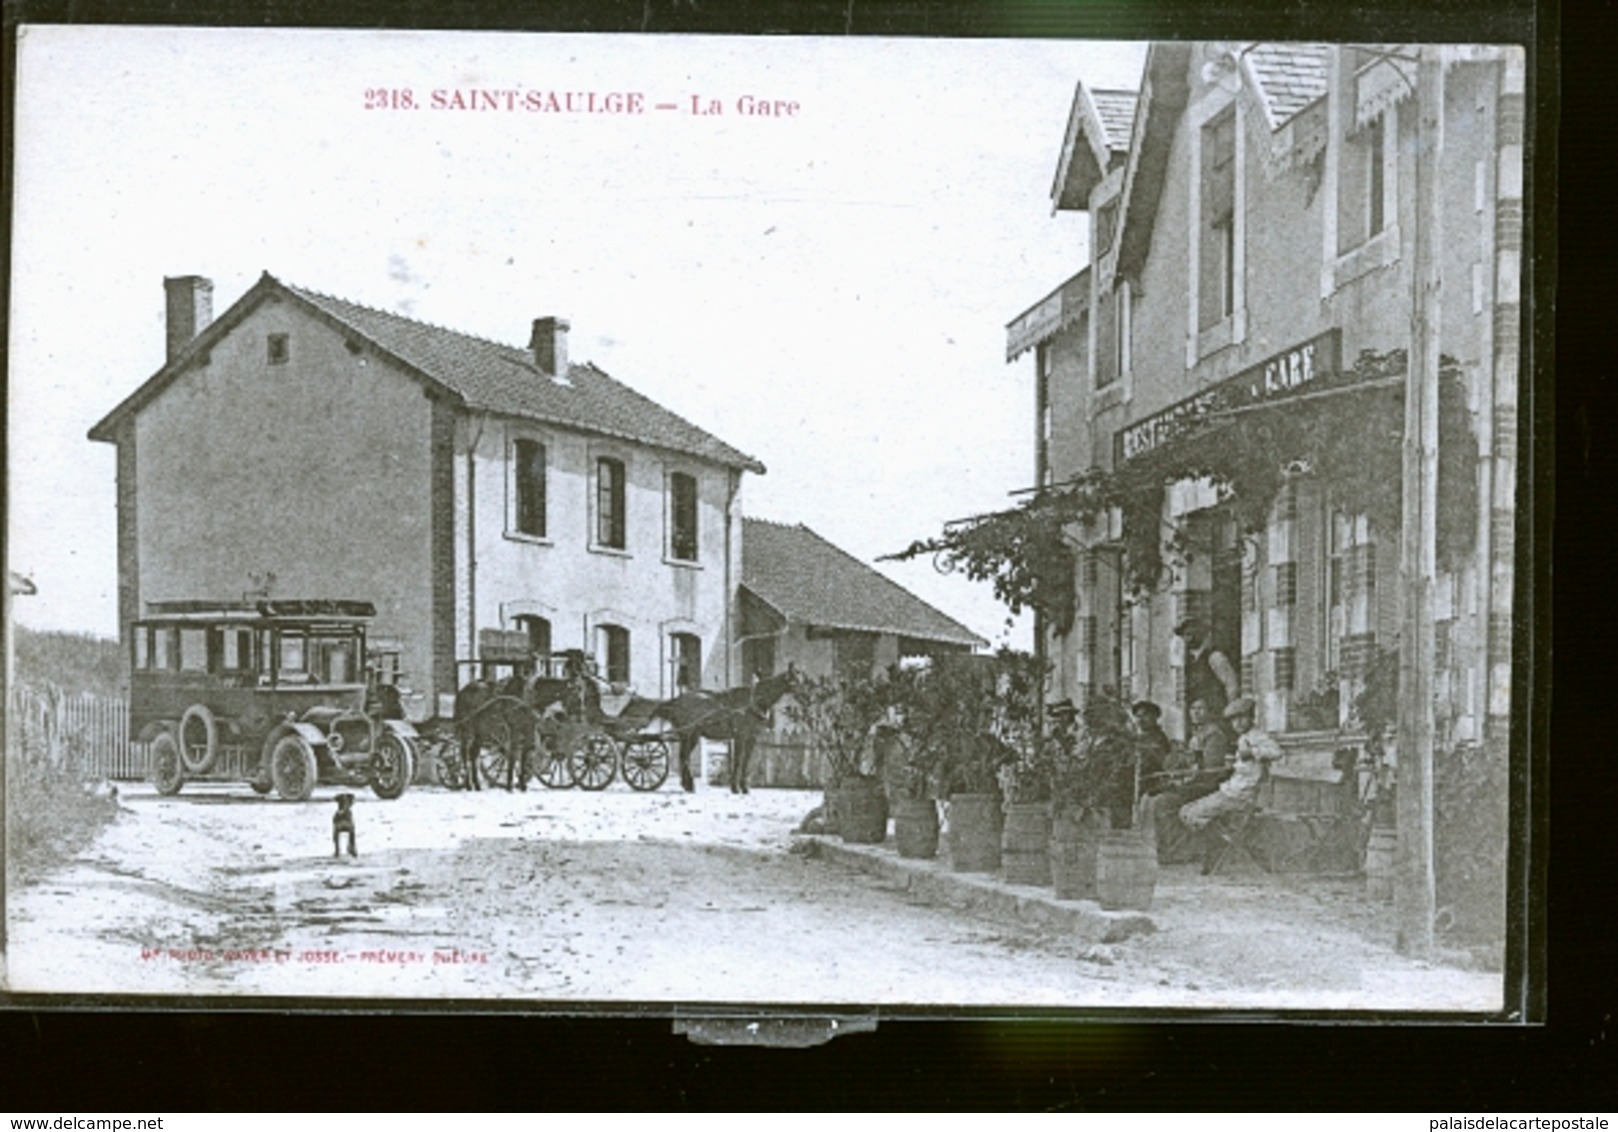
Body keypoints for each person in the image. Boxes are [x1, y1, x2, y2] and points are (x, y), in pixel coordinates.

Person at [1178, 697, 1283, 871]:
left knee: (1190, 814)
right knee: (1186, 812)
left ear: (1251, 717)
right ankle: (1223, 839)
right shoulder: (1244, 737)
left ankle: (1220, 843)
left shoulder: (1257, 736)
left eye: (1242, 718)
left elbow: (1277, 752)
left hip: (1241, 796)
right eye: (1234, 720)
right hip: (1231, 790)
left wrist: (1253, 752)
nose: (1238, 723)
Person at [1146, 697, 1234, 863]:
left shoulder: (1214, 735)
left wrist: (1184, 780)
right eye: (1193, 708)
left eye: (1201, 708)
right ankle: (1170, 847)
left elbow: (1209, 769)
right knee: (1155, 799)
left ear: (1210, 713)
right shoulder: (1197, 734)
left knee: (1163, 802)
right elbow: (1188, 763)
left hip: (1207, 786)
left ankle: (1178, 851)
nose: (1196, 712)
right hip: (1195, 783)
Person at [1175, 617, 1239, 733]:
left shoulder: (1214, 657)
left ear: (1202, 634)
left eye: (1193, 634)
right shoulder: (1190, 660)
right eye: (1186, 635)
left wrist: (1230, 711)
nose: (1189, 638)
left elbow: (1231, 685)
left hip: (1215, 713)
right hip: (1199, 716)